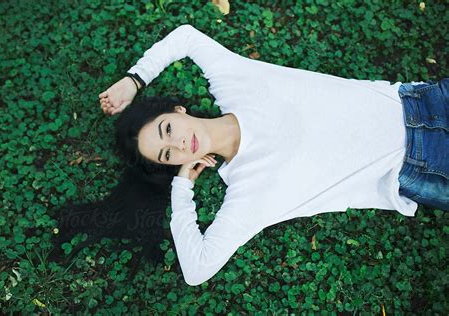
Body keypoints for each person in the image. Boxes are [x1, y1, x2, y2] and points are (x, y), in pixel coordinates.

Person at [97, 24, 448, 286]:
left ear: (178, 110)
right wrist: (182, 189)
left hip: (421, 100)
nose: (178, 145)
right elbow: (196, 268)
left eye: (168, 130)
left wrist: (134, 80)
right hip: (424, 168)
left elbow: (186, 36)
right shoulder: (248, 191)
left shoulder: (234, 81)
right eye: (167, 155)